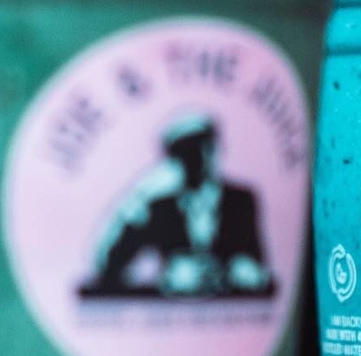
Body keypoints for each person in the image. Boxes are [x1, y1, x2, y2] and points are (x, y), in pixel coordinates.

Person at [80, 114, 272, 297]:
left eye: (205, 146)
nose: (199, 156)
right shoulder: (159, 207)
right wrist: (136, 197)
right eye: (187, 150)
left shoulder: (241, 200)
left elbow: (257, 266)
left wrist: (236, 272)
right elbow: (107, 266)